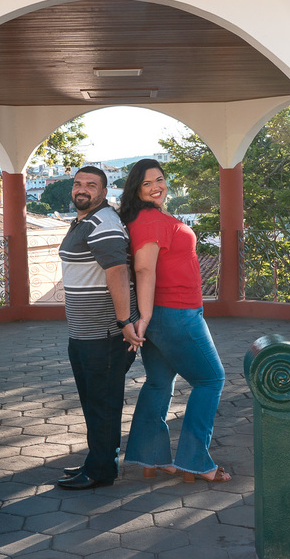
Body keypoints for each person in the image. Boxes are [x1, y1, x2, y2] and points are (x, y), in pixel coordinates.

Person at [118, 158, 230, 483]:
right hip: (175, 313)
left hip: (166, 313)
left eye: (160, 180)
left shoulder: (151, 215)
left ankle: (153, 457)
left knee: (158, 382)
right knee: (211, 380)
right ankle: (196, 461)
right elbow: (144, 268)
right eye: (147, 184)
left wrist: (147, 319)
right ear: (137, 189)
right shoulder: (150, 218)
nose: (156, 187)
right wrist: (147, 316)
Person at [56, 166, 141, 489]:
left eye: (91, 185)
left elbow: (118, 272)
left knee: (103, 405)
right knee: (94, 403)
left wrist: (123, 323)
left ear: (104, 192)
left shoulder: (103, 222)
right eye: (78, 183)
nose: (82, 189)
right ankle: (97, 460)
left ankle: (101, 471)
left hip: (104, 334)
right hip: (83, 333)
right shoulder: (82, 221)